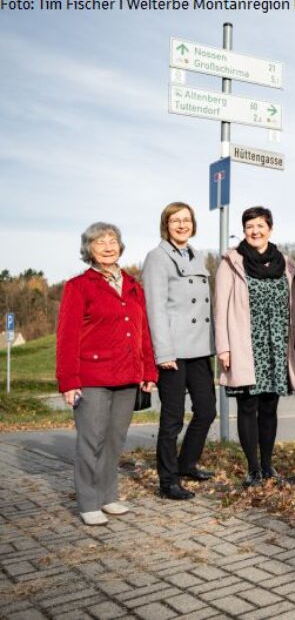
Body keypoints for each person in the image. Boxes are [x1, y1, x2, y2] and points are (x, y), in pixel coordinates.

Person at [56, 222, 158, 526]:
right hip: (92, 377)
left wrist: (148, 370)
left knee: (115, 439)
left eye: (112, 240)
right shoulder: (79, 286)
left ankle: (108, 495)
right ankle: (88, 501)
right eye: (99, 242)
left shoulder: (132, 285)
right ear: (89, 250)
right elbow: (67, 336)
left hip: (127, 376)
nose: (108, 246)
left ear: (120, 246)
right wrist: (68, 381)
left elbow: (143, 333)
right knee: (92, 440)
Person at [214, 207, 295, 487]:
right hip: (245, 345)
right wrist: (223, 348)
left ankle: (267, 466)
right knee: (248, 406)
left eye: (261, 225)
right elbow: (220, 308)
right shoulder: (231, 262)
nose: (255, 231)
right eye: (250, 226)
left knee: (269, 408)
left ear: (270, 228)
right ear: (244, 230)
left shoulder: (286, 263)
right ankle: (252, 468)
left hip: (277, 345)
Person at [142, 202, 216, 501]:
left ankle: (187, 463)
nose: (182, 225)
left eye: (186, 220)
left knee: (207, 410)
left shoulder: (196, 255)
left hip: (199, 348)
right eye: (176, 220)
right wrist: (163, 352)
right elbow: (155, 309)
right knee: (172, 419)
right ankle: (167, 481)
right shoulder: (157, 258)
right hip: (173, 350)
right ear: (166, 224)